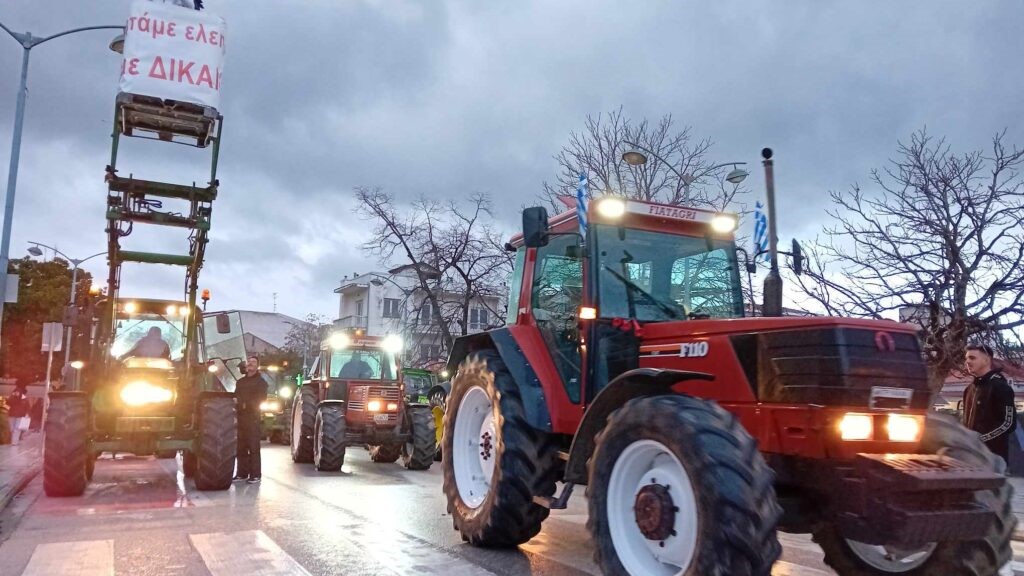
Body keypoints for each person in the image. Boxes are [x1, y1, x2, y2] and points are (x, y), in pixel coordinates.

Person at [962, 344, 1017, 463]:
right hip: (970, 456)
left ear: (986, 360)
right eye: (966, 358)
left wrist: (979, 439)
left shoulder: (1000, 387)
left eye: (972, 358)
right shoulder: (969, 390)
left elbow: (1008, 423)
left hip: (993, 458)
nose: (967, 362)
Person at [234, 355, 267, 484]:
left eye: (253, 362)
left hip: (252, 417)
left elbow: (261, 399)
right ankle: (242, 473)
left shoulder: (261, 382)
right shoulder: (240, 382)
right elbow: (236, 396)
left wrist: (245, 404)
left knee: (253, 447)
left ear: (257, 366)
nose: (250, 364)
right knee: (240, 447)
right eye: (249, 362)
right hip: (240, 417)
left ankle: (255, 475)